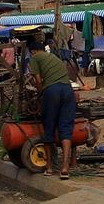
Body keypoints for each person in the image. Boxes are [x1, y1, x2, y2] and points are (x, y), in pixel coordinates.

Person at [27, 40, 75, 180]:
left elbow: (38, 81)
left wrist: (39, 93)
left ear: (33, 51)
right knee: (65, 129)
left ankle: (49, 167)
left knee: (49, 128)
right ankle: (65, 167)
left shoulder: (34, 58)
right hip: (67, 90)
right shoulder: (53, 57)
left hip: (52, 91)